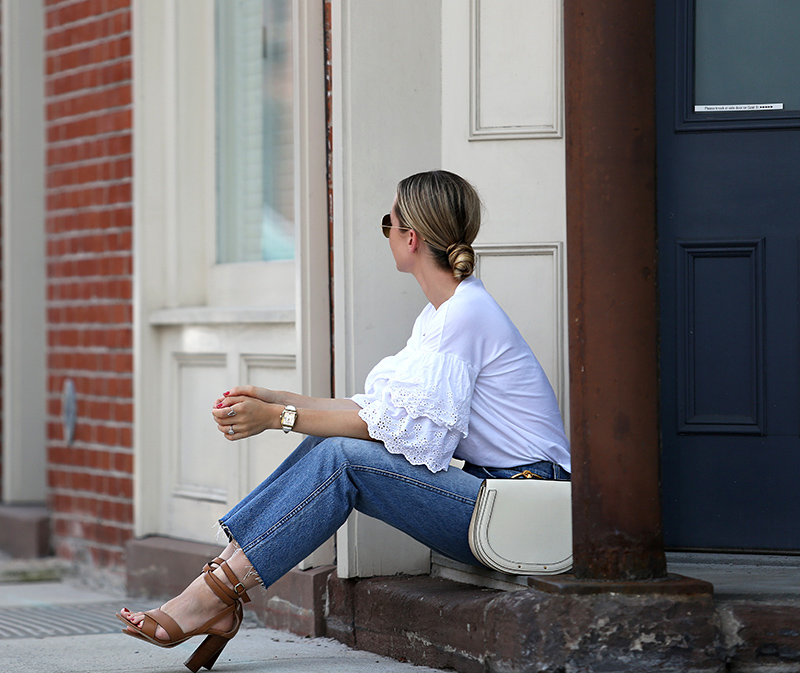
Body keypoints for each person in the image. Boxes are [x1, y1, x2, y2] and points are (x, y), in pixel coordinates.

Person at [117, 170, 570, 672]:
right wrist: (275, 400)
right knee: (328, 444)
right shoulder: (442, 316)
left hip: (525, 512)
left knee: (342, 457)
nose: (388, 235)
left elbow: (397, 432)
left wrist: (278, 417)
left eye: (388, 223)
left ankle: (212, 597)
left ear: (411, 237)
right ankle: (219, 585)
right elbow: (373, 413)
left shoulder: (466, 316)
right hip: (499, 500)